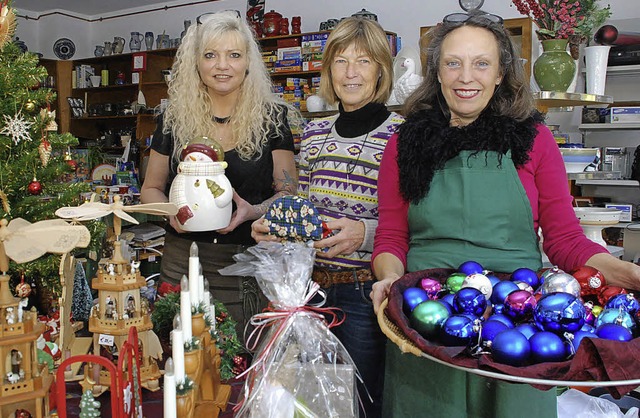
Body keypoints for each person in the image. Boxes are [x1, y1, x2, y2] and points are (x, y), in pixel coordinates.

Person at [370, 13, 640, 418]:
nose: (466, 77)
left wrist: (627, 275)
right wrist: (390, 280)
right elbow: (391, 236)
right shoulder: (403, 144)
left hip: (521, 319)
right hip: (425, 318)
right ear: (437, 72)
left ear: (500, 74)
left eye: (482, 63)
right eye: (453, 62)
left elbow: (564, 240)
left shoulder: (534, 140)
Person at [251, 17, 403, 418]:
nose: (351, 72)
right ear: (328, 70)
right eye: (340, 60)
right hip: (307, 291)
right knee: (308, 402)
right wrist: (270, 221)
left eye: (364, 61)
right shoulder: (314, 131)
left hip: (365, 293)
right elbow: (302, 203)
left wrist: (366, 233)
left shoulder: (403, 134)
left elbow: (417, 218)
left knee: (362, 402)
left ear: (381, 71)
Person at [140, 10, 299, 338]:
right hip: (182, 261)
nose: (222, 65)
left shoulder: (271, 118)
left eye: (234, 55)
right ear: (197, 63)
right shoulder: (173, 118)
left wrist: (252, 211)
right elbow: (151, 188)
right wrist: (172, 214)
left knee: (241, 360)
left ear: (248, 63)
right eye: (211, 55)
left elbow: (288, 192)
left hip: (247, 265)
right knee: (181, 358)